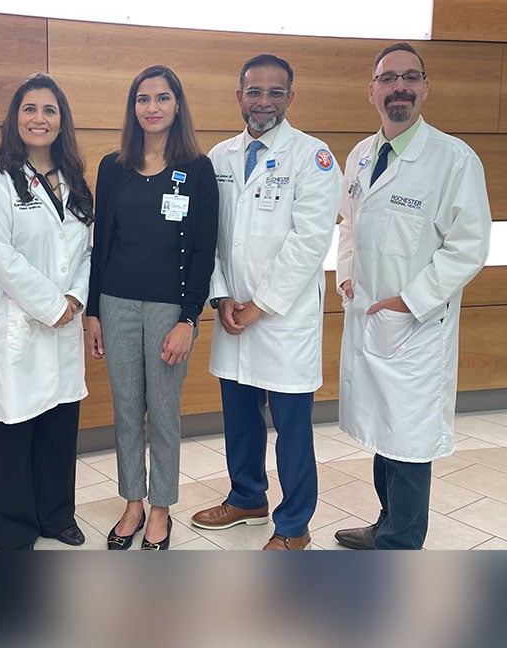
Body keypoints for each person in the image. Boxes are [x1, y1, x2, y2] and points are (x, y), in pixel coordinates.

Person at [334, 42, 491, 550]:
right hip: (370, 315)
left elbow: (468, 247)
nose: (399, 87)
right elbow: (348, 225)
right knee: (383, 434)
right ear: (372, 92)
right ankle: (385, 524)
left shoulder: (453, 160)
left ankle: (400, 549)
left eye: (410, 77)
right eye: (388, 79)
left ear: (425, 87)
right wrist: (347, 276)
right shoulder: (360, 155)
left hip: (417, 326)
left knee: (408, 440)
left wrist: (410, 300)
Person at [190, 54, 341, 551]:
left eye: (276, 92)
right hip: (231, 312)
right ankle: (247, 497)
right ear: (239, 97)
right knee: (240, 416)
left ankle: (294, 524)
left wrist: (260, 305)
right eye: (255, 91)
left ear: (291, 98)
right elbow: (207, 236)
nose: (264, 102)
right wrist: (222, 295)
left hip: (283, 319)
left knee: (292, 427)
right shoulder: (219, 157)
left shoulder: (313, 157)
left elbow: (309, 241)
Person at [86, 65, 219, 551]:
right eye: (143, 99)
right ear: (133, 107)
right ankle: (132, 502)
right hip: (116, 304)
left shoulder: (198, 170)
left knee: (162, 411)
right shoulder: (112, 166)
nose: (152, 107)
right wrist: (93, 312)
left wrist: (189, 320)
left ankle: (161, 507)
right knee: (125, 411)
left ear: (177, 105)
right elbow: (100, 245)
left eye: (162, 98)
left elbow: (204, 251)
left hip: (169, 311)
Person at [0, 72, 93, 551]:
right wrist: (51, 305)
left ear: (61, 120)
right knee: (14, 426)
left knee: (59, 423)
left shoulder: (74, 181)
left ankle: (56, 515)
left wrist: (76, 300)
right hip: (18, 324)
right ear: (15, 119)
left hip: (64, 321)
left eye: (48, 110)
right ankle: (13, 526)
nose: (39, 119)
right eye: (29, 109)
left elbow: (88, 249)